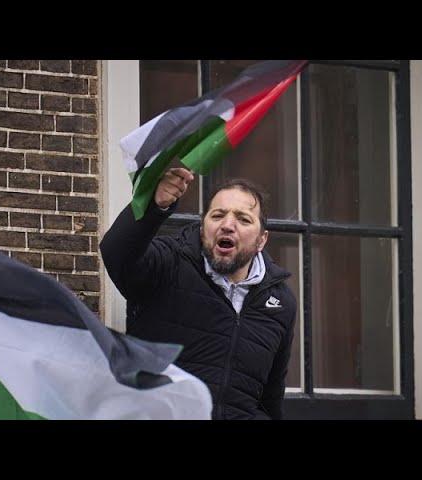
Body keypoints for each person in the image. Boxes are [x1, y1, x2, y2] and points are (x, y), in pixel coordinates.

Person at [99, 168, 297, 420]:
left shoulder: (280, 302)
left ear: (262, 240)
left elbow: (270, 398)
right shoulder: (169, 263)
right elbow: (116, 252)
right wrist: (154, 206)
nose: (227, 225)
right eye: (217, 215)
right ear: (203, 228)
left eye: (243, 219)